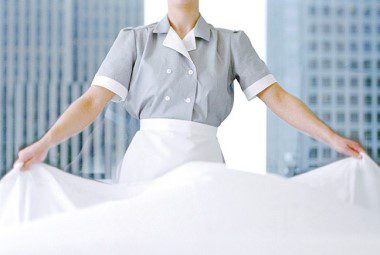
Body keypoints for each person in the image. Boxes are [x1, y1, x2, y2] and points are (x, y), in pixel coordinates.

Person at [14, 0, 364, 183]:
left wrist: (332, 138)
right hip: (145, 168)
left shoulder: (231, 43)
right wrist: (45, 144)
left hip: (205, 166)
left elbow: (278, 98)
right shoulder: (133, 40)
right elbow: (91, 101)